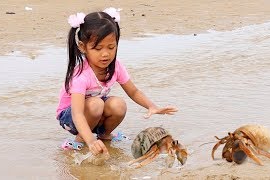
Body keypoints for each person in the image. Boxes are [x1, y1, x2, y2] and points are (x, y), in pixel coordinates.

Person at [56, 8, 178, 156]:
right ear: (83, 47)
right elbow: (77, 114)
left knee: (118, 104)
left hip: (94, 112)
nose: (105, 54)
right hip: (71, 118)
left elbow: (133, 91)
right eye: (98, 48)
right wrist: (90, 141)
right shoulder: (81, 75)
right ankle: (79, 140)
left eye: (111, 47)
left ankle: (105, 135)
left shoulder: (116, 66)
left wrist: (152, 107)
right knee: (96, 103)